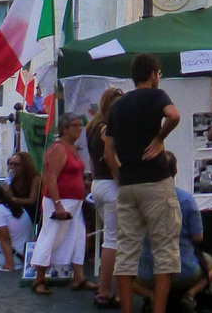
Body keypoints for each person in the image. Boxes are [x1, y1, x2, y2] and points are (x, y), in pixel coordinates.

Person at [104, 53, 182, 313]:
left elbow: (108, 154)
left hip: (128, 185)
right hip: (156, 182)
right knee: (165, 251)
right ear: (154, 74)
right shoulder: (156, 96)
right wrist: (160, 139)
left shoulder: (117, 106)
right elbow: (173, 115)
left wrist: (121, 176)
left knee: (126, 252)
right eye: (159, 73)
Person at [133, 153, 212, 309]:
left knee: (123, 272)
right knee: (211, 264)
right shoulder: (186, 199)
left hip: (148, 275)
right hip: (185, 272)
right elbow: (198, 237)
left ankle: (151, 296)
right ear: (176, 170)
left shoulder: (140, 200)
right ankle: (190, 294)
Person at [29, 112, 91, 295]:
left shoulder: (71, 147)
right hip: (61, 201)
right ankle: (39, 279)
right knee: (51, 236)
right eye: (76, 125)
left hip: (74, 202)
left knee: (78, 236)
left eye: (81, 125)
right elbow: (51, 179)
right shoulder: (59, 149)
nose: (80, 129)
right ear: (65, 128)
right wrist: (58, 205)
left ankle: (79, 277)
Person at [88, 86, 125, 309]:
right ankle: (106, 291)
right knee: (113, 241)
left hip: (98, 184)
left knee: (109, 238)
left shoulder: (92, 126)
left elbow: (95, 161)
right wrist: (123, 182)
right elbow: (111, 159)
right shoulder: (108, 128)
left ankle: (106, 289)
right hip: (111, 185)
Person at [6, 150, 43, 216]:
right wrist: (7, 186)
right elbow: (9, 199)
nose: (12, 167)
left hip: (33, 213)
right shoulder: (11, 180)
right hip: (17, 213)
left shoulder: (35, 178)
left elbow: (32, 200)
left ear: (25, 166)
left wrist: (16, 200)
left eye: (16, 164)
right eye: (10, 164)